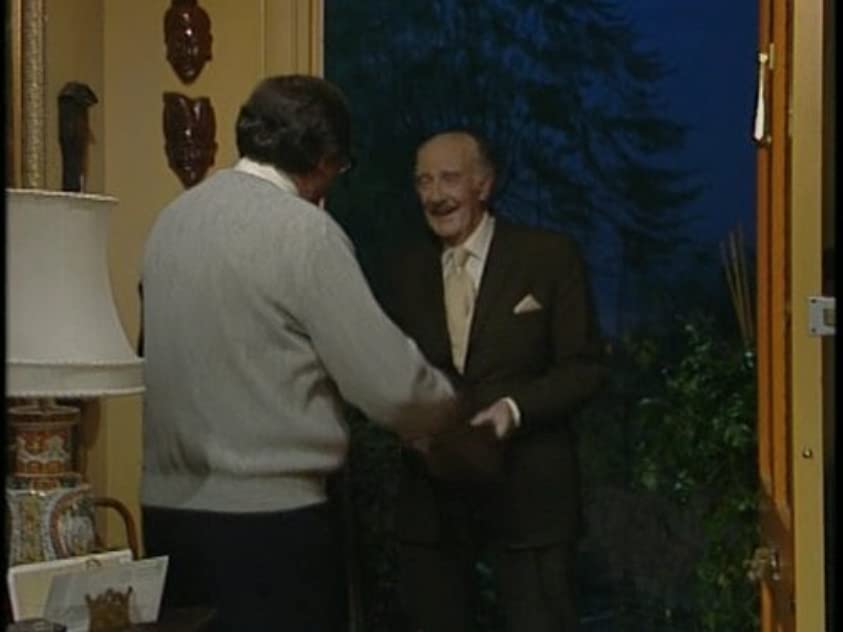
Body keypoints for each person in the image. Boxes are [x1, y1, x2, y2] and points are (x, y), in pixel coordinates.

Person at [140, 77, 496, 632]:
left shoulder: (170, 222)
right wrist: (450, 408)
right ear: (324, 159)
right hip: (270, 530)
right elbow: (391, 387)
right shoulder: (305, 233)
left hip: (168, 524)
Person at [381, 130, 608, 632]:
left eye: (449, 179)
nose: (435, 195)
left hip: (532, 498)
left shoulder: (548, 256)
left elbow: (585, 369)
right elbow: (385, 368)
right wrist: (404, 421)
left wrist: (514, 409)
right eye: (423, 182)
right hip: (431, 507)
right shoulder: (403, 269)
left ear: (483, 184)